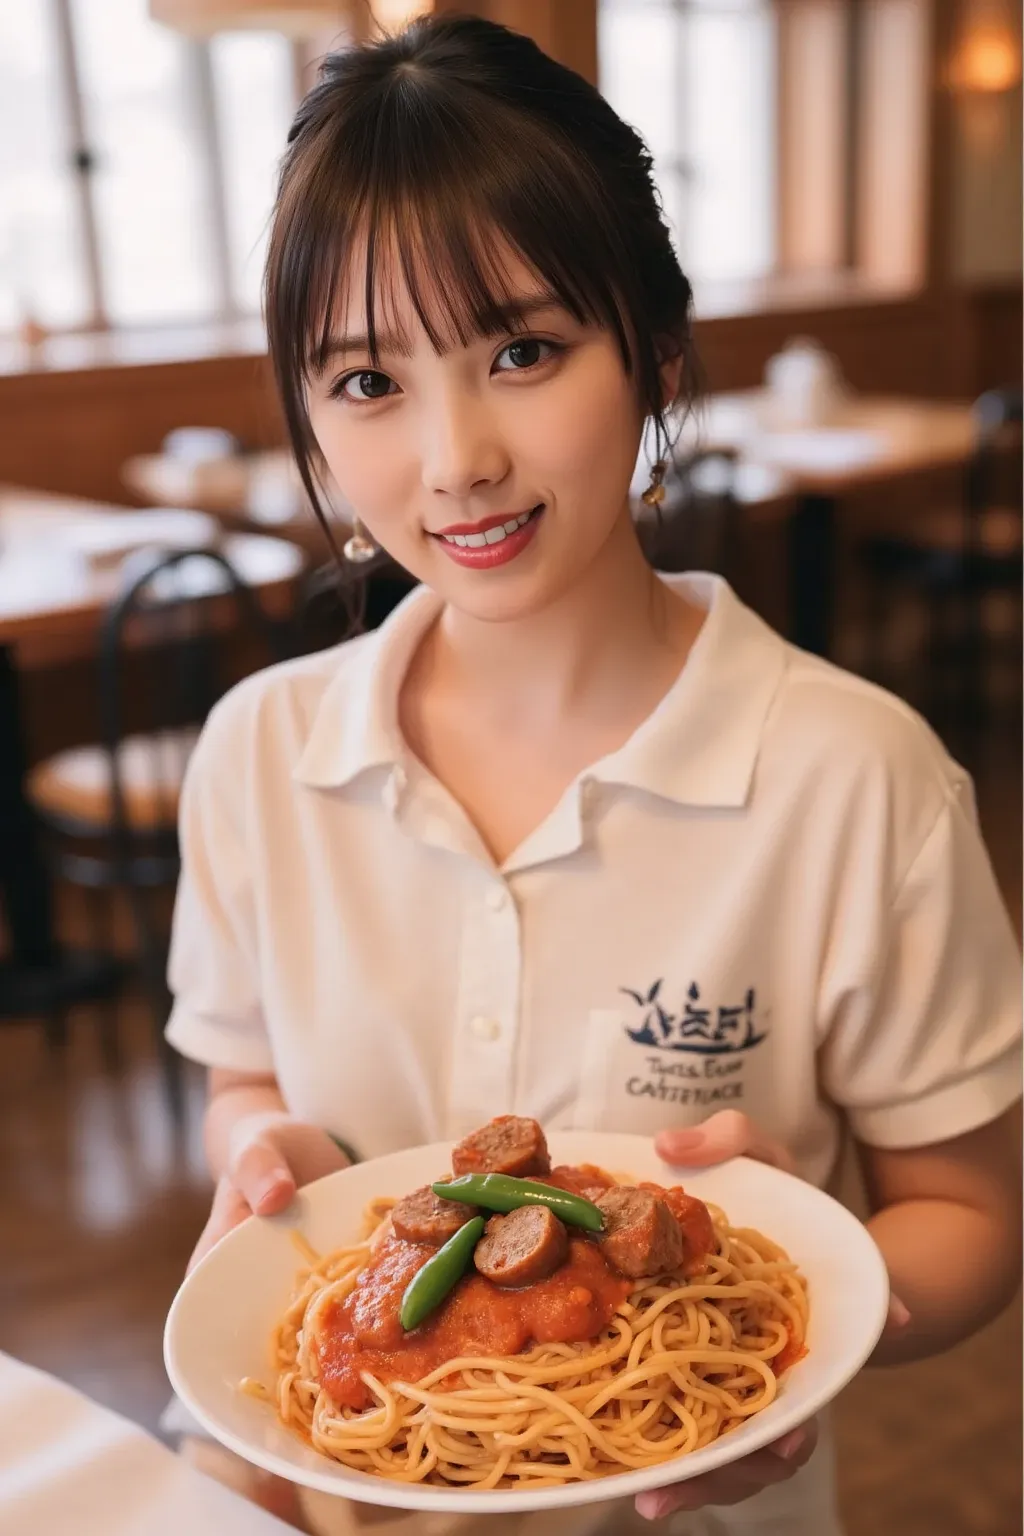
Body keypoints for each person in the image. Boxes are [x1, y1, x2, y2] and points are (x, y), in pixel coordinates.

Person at [165, 15, 1022, 1536]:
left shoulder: (858, 776)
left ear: (658, 353)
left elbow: (972, 1220)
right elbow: (245, 1080)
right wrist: (263, 1155)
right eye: (368, 381)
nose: (457, 458)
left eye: (523, 350)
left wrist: (803, 1289)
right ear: (305, 411)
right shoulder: (260, 754)